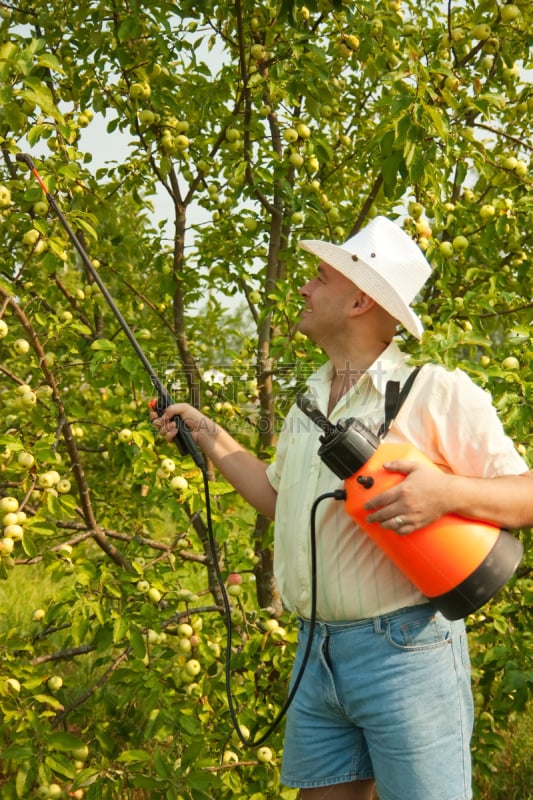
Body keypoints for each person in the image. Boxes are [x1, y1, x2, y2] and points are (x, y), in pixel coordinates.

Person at [152, 216, 533, 800]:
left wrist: (445, 493)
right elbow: (279, 500)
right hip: (316, 652)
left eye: (318, 278)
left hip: (405, 653)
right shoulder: (309, 397)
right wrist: (201, 427)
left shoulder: (436, 391)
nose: (303, 289)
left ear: (359, 300)